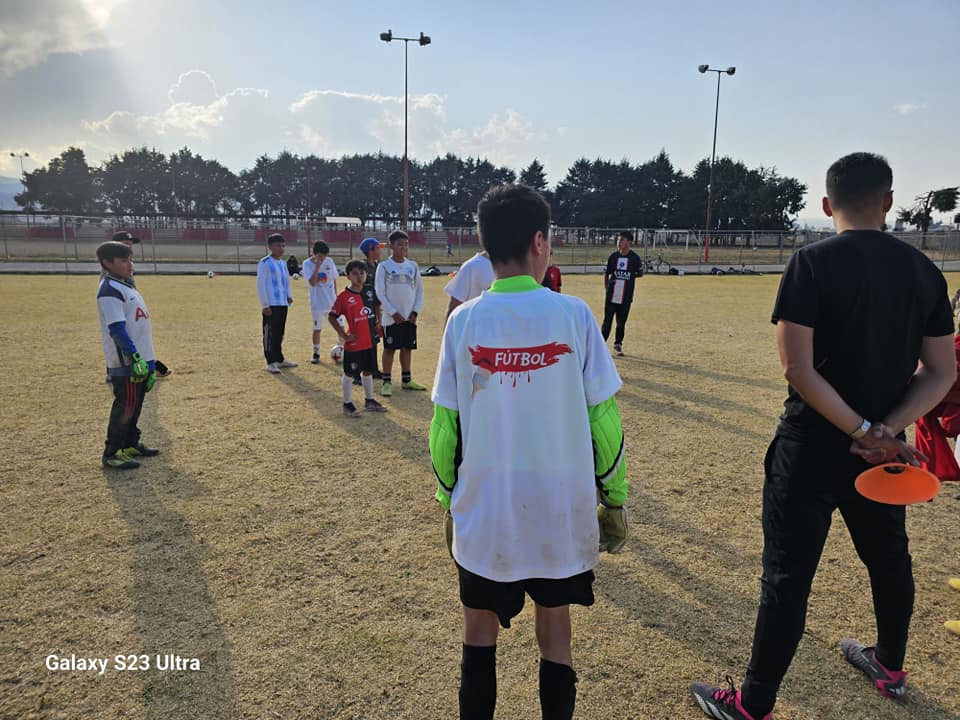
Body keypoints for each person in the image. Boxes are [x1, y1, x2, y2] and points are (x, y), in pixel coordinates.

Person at [690, 152, 956, 720]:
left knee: (788, 574)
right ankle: (890, 665)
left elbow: (797, 368)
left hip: (811, 446)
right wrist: (883, 430)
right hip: (884, 456)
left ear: (827, 204)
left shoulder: (810, 263)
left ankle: (753, 703)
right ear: (887, 201)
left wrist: (860, 428)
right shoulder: (925, 272)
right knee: (889, 559)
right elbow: (940, 372)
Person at [430, 184, 628, 720]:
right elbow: (604, 422)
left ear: (485, 243)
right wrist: (614, 497)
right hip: (558, 507)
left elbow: (444, 430)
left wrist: (450, 499)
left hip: (487, 507)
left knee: (477, 634)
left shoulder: (463, 320)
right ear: (540, 241)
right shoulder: (575, 315)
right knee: (556, 633)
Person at [96, 241, 160, 470]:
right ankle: (112, 452)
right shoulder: (109, 290)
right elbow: (117, 328)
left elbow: (139, 325)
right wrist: (134, 358)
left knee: (136, 404)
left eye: (130, 259)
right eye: (124, 261)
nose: (129, 265)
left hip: (143, 359)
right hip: (128, 364)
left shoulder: (126, 285)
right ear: (107, 263)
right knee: (125, 406)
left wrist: (150, 361)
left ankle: (130, 443)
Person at [328, 260, 387, 417]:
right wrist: (344, 335)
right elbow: (332, 317)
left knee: (368, 371)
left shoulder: (369, 290)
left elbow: (377, 306)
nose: (359, 276)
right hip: (354, 343)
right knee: (349, 373)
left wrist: (378, 320)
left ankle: (369, 400)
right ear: (348, 276)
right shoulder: (344, 296)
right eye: (355, 273)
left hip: (370, 340)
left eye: (362, 273)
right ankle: (347, 404)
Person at [109, 231, 170, 377]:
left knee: (137, 338)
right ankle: (115, 372)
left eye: (130, 245)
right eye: (125, 244)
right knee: (122, 337)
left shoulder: (128, 265)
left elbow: (131, 288)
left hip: (130, 306)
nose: (129, 248)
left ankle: (150, 367)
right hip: (119, 307)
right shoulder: (111, 268)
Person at [375, 230, 426, 395]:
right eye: (400, 244)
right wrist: (392, 312)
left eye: (406, 244)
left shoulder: (413, 266)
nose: (404, 247)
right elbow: (380, 292)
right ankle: (386, 381)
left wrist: (415, 312)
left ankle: (407, 379)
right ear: (391, 246)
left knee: (407, 348)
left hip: (409, 317)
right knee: (389, 349)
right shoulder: (384, 267)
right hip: (392, 319)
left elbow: (419, 291)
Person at [257, 233, 296, 374]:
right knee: (270, 334)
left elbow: (286, 281)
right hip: (271, 304)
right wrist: (265, 304)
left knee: (280, 333)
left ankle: (279, 359)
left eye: (283, 245)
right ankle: (271, 362)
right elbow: (261, 284)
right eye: (278, 245)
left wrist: (289, 295)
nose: (281, 248)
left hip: (282, 303)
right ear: (270, 247)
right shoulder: (265, 263)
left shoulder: (282, 263)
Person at [601, 231, 642, 356]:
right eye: (618, 240)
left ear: (629, 242)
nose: (619, 242)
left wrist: (628, 279)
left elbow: (640, 273)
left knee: (621, 322)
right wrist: (607, 287)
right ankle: (601, 345)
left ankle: (618, 345)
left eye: (622, 240)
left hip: (626, 296)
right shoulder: (613, 257)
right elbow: (607, 273)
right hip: (612, 295)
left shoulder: (634, 258)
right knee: (607, 321)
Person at [301, 241, 338, 364]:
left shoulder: (329, 262)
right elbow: (312, 282)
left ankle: (342, 349)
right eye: (321, 256)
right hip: (317, 303)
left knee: (341, 327)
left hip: (332, 302)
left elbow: (333, 280)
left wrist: (336, 297)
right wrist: (317, 266)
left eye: (325, 256)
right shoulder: (306, 264)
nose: (323, 259)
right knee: (317, 328)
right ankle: (316, 353)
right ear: (314, 253)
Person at [358, 237, 385, 384]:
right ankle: (359, 370)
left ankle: (373, 369)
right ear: (370, 250)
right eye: (377, 248)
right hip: (363, 307)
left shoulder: (377, 266)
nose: (380, 251)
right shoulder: (362, 267)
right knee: (363, 339)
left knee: (374, 339)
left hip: (375, 306)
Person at [443, 250, 494, 326]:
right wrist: (447, 337)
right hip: (477, 333)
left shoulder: (515, 266)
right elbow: (453, 308)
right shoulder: (471, 266)